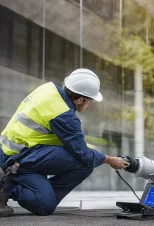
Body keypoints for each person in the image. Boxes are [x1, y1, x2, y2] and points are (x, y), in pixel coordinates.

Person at [0, 68, 129, 217]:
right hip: (17, 158)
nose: (90, 104)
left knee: (81, 167)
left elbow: (74, 145)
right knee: (46, 205)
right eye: (90, 101)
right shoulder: (63, 115)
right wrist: (110, 160)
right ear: (81, 100)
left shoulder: (48, 89)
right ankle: (7, 184)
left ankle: (43, 194)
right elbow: (84, 154)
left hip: (19, 151)